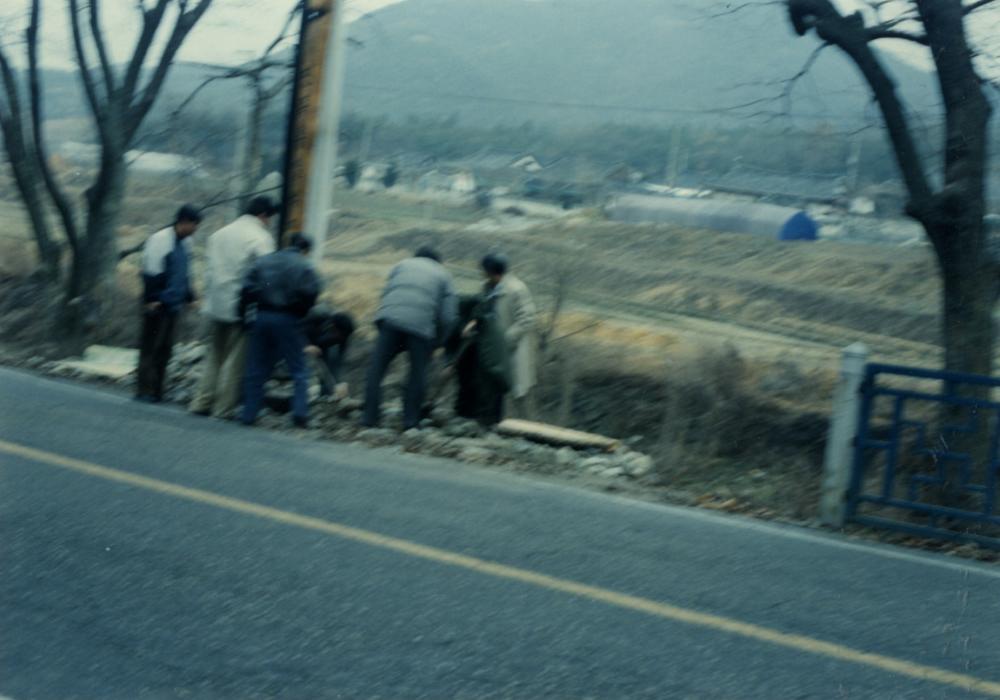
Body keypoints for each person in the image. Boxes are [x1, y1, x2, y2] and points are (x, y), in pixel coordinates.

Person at [189, 196, 278, 417]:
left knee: (214, 356)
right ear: (264, 215)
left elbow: (208, 271)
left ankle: (202, 401)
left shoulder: (220, 234)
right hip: (240, 306)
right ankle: (223, 407)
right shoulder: (261, 238)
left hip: (214, 303)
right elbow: (265, 275)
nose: (270, 223)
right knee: (235, 360)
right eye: (270, 218)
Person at [363, 246, 457, 431]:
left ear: (416, 256)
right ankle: (410, 422)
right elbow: (449, 317)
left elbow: (386, 294)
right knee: (417, 373)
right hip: (421, 328)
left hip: (390, 321)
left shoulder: (401, 265)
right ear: (437, 261)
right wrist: (438, 341)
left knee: (376, 370)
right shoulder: (444, 274)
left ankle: (369, 418)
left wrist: (382, 324)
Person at [239, 233, 322, 428]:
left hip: (261, 316)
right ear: (306, 250)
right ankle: (300, 414)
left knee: (256, 367)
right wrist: (301, 312)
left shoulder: (265, 260)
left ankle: (248, 414)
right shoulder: (304, 265)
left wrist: (244, 317)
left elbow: (246, 289)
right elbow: (312, 293)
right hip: (288, 318)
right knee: (299, 369)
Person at [135, 204, 202, 403]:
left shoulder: (186, 243)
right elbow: (149, 271)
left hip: (174, 304)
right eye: (194, 225)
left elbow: (185, 274)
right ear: (184, 222)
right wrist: (152, 299)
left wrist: (190, 296)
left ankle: (158, 390)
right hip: (158, 303)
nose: (195, 229)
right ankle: (144, 390)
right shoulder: (160, 240)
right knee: (150, 348)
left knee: (165, 349)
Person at [481, 253, 538, 418]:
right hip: (492, 349)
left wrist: (505, 340)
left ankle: (529, 430)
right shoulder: (487, 287)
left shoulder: (516, 289)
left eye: (485, 271)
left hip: (512, 348)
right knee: (493, 388)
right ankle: (493, 422)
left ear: (492, 271)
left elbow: (527, 318)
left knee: (519, 393)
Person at [303, 306, 356, 400]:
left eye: (342, 337)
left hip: (322, 341)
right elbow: (298, 329)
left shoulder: (345, 333)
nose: (340, 338)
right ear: (333, 327)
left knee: (328, 365)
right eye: (338, 335)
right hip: (306, 335)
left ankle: (326, 395)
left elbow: (339, 361)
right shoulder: (318, 315)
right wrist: (307, 345)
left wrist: (340, 382)